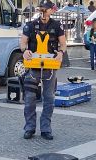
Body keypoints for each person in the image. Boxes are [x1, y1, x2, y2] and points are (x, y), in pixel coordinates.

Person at [20, 0, 66, 140]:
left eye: (46, 10)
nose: (43, 12)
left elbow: (63, 44)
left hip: (50, 67)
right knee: (29, 99)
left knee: (49, 99)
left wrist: (60, 53)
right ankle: (29, 128)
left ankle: (46, 129)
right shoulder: (31, 25)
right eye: (41, 10)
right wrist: (24, 51)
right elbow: (23, 43)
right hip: (33, 67)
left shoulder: (57, 25)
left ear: (51, 10)